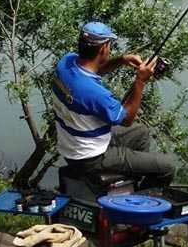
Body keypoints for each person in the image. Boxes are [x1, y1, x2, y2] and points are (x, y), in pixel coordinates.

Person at [51, 21, 175, 186]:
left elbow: (96, 69)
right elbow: (127, 119)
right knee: (167, 167)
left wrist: (122, 60)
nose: (110, 49)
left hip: (72, 146)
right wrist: (140, 81)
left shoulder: (65, 63)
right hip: (91, 158)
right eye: (109, 45)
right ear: (103, 49)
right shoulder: (94, 93)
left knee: (141, 132)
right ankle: (141, 205)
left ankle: (128, 185)